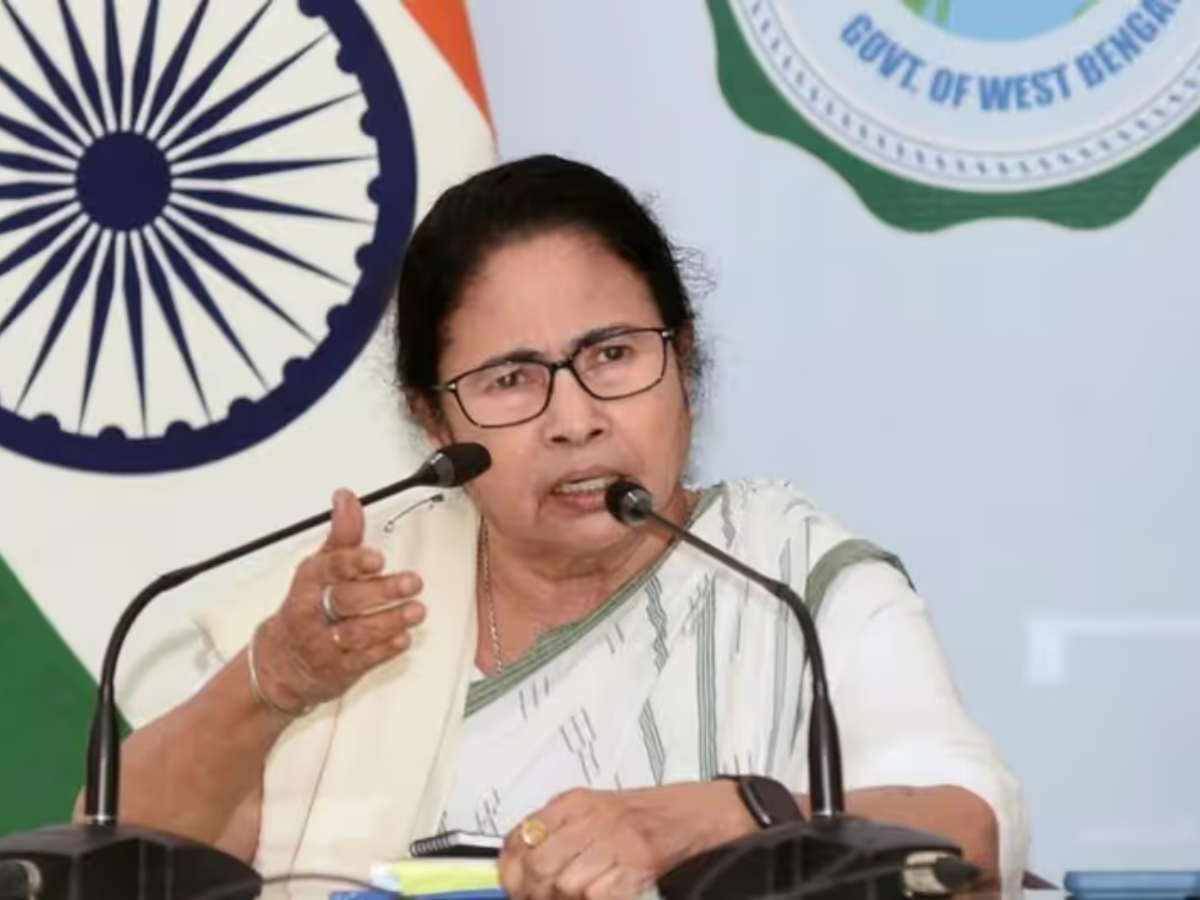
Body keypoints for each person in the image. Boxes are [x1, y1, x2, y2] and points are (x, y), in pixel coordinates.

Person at [104, 155, 1028, 899]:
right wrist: (270, 685)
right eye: (512, 379)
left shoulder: (785, 574)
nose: (575, 419)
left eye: (613, 355)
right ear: (434, 420)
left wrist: (713, 816)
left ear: (683, 359)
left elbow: (969, 833)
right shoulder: (357, 605)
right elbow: (112, 866)